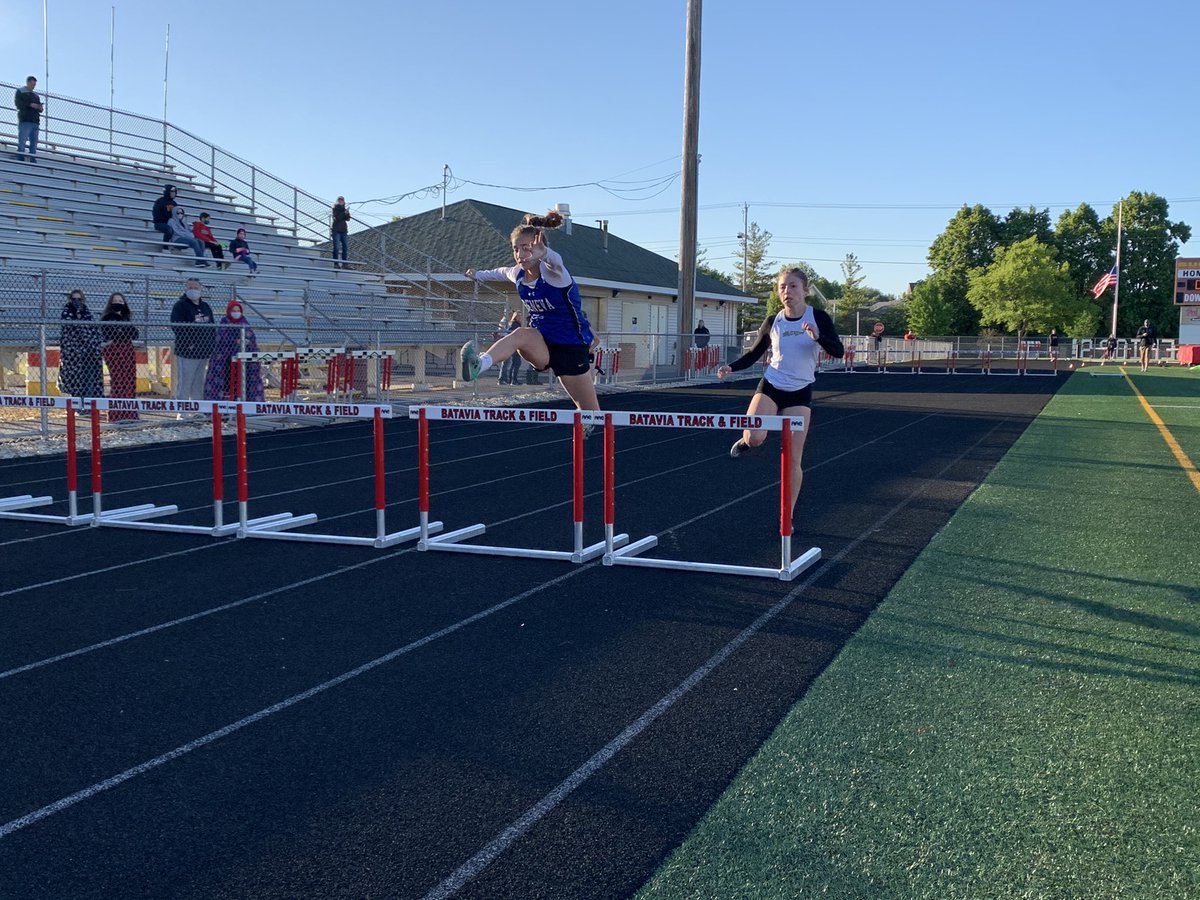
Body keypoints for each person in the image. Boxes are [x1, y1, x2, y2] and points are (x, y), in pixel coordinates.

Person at [717, 267, 843, 525]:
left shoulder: (818, 317)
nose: (788, 292)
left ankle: (788, 516)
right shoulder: (774, 321)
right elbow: (754, 353)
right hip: (772, 385)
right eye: (783, 287)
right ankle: (746, 442)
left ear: (805, 290)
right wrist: (731, 367)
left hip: (800, 392)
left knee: (792, 459)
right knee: (754, 437)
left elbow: (838, 351)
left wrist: (818, 338)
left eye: (793, 286)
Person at [461, 210, 600, 416]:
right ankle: (480, 364)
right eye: (516, 249)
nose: (520, 254)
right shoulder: (517, 273)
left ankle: (590, 424)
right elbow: (498, 272)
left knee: (591, 412)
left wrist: (544, 254)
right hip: (541, 345)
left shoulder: (555, 274)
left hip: (569, 348)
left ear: (539, 248)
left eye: (526, 249)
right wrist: (478, 275)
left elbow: (556, 261)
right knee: (519, 334)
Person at [205, 299, 264, 401]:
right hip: (226, 362)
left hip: (244, 362)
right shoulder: (224, 323)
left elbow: (252, 339)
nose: (236, 313)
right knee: (227, 383)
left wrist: (246, 342)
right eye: (233, 310)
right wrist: (234, 342)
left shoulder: (245, 323)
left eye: (238, 310)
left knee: (245, 381)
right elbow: (221, 341)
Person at [169, 278, 215, 401]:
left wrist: (211, 344)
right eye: (190, 288)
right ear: (186, 289)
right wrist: (189, 343)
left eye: (196, 288)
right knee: (185, 382)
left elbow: (212, 327)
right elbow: (177, 327)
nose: (193, 290)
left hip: (203, 351)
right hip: (187, 352)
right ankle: (182, 411)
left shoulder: (205, 306)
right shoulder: (180, 305)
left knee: (198, 383)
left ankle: (197, 410)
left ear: (201, 290)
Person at [100, 292, 139, 422]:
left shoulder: (126, 317)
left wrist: (122, 332)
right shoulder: (107, 317)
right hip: (114, 350)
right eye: (116, 300)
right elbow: (111, 333)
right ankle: (116, 414)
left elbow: (134, 333)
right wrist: (123, 332)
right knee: (118, 380)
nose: (118, 303)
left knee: (130, 380)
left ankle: (130, 413)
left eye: (121, 301)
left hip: (127, 349)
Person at [58, 289, 104, 399]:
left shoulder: (87, 312)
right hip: (73, 352)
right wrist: (78, 321)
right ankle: (78, 403)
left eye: (79, 299)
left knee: (89, 377)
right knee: (75, 378)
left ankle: (89, 402)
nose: (77, 301)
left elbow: (92, 329)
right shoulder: (66, 311)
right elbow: (69, 330)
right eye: (74, 299)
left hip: (89, 351)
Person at [14, 76, 43, 163]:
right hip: (25, 119)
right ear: (27, 82)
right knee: (22, 140)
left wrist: (39, 107)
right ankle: (20, 157)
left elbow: (40, 109)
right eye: (32, 84)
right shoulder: (20, 91)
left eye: (34, 85)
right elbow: (18, 104)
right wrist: (30, 104)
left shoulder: (35, 95)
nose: (33, 86)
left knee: (34, 142)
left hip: (35, 121)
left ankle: (32, 158)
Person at [497, 310, 524, 385]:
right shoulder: (512, 323)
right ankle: (506, 379)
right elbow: (508, 333)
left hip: (512, 344)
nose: (520, 317)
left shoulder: (512, 323)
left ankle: (509, 379)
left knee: (511, 363)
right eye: (518, 316)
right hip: (511, 345)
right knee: (511, 362)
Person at [331, 196, 351, 267]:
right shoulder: (335, 209)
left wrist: (347, 213)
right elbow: (337, 218)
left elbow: (348, 219)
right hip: (336, 230)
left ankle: (344, 263)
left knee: (345, 247)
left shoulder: (344, 209)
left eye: (342, 200)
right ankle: (336, 263)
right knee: (336, 247)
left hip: (344, 230)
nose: (341, 201)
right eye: (340, 200)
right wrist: (344, 213)